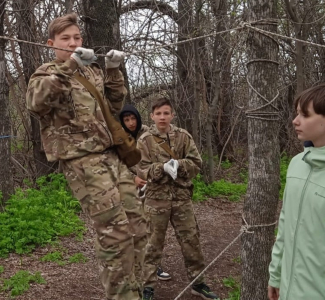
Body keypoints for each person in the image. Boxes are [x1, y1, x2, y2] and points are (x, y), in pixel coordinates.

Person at [26, 13, 144, 300]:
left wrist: (113, 71)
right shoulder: (46, 72)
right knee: (114, 235)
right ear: (52, 43)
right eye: (66, 39)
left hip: (111, 157)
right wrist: (70, 66)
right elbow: (36, 103)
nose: (73, 42)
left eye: (77, 37)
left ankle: (135, 290)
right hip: (82, 162)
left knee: (138, 226)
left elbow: (113, 106)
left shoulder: (91, 72)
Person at [136, 97, 220, 300]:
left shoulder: (183, 136)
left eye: (166, 113)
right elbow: (140, 169)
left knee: (191, 240)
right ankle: (147, 287)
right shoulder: (145, 140)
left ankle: (198, 283)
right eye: (158, 113)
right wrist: (161, 168)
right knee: (152, 245)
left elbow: (196, 163)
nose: (162, 117)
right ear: (152, 116)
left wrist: (179, 165)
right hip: (156, 200)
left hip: (181, 198)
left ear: (172, 115)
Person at [268, 84, 325, 300]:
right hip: (289, 288)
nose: (295, 120)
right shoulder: (297, 163)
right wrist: (276, 274)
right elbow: (286, 222)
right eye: (297, 113)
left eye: (304, 115)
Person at [119, 104, 172, 282]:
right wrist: (131, 178)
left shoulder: (149, 134)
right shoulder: (119, 140)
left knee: (151, 228)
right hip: (129, 188)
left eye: (133, 118)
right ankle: (133, 268)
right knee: (133, 229)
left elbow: (159, 157)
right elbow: (116, 164)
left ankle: (152, 265)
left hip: (152, 184)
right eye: (126, 120)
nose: (131, 123)